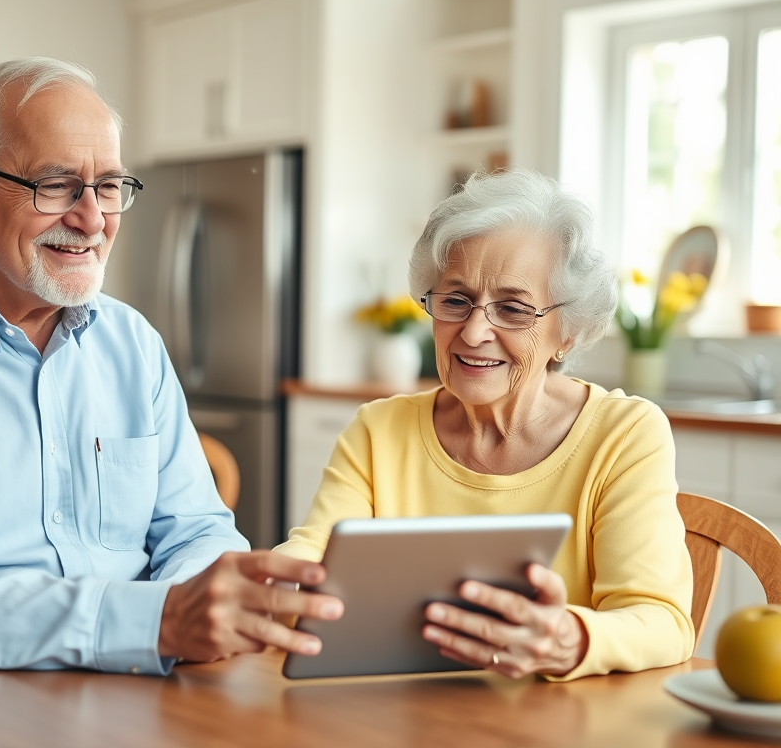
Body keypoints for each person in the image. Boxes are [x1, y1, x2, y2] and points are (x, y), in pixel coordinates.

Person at [0, 57, 341, 673]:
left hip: (124, 690)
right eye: (54, 185)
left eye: (108, 186)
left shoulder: (133, 342)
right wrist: (152, 622)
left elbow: (196, 535)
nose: (92, 219)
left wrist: (202, 606)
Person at [276, 168, 694, 681]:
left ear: (569, 331)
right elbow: (312, 557)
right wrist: (279, 584)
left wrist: (568, 640)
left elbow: (663, 622)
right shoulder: (377, 430)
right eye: (455, 300)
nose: (474, 332)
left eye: (513, 309)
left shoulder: (625, 435)